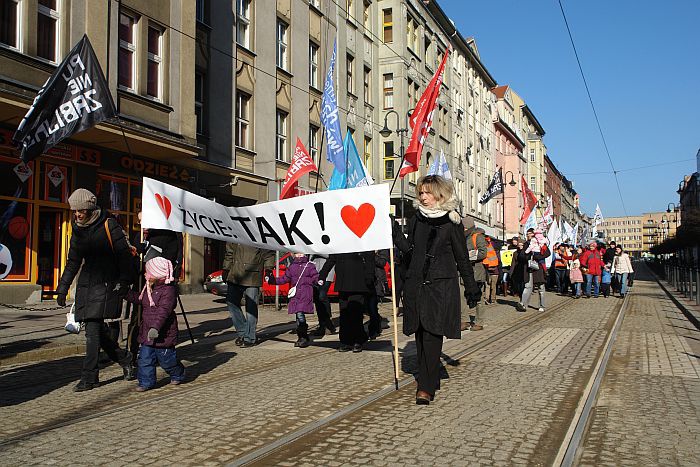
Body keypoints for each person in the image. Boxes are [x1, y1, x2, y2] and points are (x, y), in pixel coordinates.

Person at [393, 175, 480, 405]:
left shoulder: (452, 221)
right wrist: (393, 231)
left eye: (427, 193)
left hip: (440, 286)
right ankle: (429, 377)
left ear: (439, 194)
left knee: (432, 334)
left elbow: (462, 257)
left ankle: (425, 386)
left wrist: (471, 288)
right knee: (420, 334)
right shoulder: (416, 220)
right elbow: (409, 252)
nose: (422, 197)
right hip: (416, 285)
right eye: (421, 193)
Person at [56, 189, 134, 392]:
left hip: (106, 284)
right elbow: (73, 261)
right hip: (86, 284)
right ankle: (125, 359)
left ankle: (89, 377)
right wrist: (62, 288)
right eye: (74, 211)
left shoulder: (109, 225)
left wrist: (124, 282)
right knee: (97, 329)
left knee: (92, 330)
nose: (77, 215)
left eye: (80, 210)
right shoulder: (78, 229)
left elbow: (124, 256)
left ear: (90, 208)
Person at [125, 257, 185, 391]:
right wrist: (125, 293)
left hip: (163, 332)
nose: (146, 275)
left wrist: (155, 327)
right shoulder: (149, 287)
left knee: (167, 360)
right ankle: (146, 382)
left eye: (149, 273)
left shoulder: (168, 291)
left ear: (158, 275)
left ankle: (177, 372)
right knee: (145, 359)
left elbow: (164, 311)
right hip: (147, 332)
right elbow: (140, 299)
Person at [318, 251, 376, 352]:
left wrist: (369, 276)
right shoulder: (340, 243)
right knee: (344, 313)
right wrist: (322, 275)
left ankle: (358, 340)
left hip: (358, 282)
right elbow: (331, 259)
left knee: (356, 312)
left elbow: (369, 257)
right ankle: (345, 341)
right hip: (343, 282)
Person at [221, 242, 274, 347]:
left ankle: (250, 337)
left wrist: (268, 269)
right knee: (231, 302)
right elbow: (229, 252)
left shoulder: (257, 231)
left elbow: (268, 253)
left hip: (252, 275)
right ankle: (243, 332)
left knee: (251, 307)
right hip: (235, 274)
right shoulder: (234, 231)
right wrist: (226, 268)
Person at [266, 252, 318, 348]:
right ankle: (302, 336)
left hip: (305, 293)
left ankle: (303, 336)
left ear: (305, 254)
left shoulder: (309, 266)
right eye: (297, 254)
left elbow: (315, 276)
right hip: (295, 294)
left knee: (300, 314)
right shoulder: (292, 266)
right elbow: (285, 279)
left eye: (301, 254)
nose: (299, 256)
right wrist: (272, 280)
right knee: (298, 315)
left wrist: (318, 281)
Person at [516, 229, 550, 312]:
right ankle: (523, 304)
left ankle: (542, 305)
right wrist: (527, 256)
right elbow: (521, 256)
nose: (528, 235)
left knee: (541, 287)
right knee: (528, 286)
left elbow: (547, 253)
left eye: (530, 233)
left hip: (539, 267)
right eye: (527, 234)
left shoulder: (541, 242)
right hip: (529, 268)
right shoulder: (526, 244)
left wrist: (537, 257)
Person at [463, 219, 487, 331]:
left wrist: (468, 257)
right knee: (460, 295)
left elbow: (483, 253)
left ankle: (479, 322)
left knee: (478, 297)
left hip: (476, 271)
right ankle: (463, 320)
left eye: (464, 227)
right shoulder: (461, 237)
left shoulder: (477, 236)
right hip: (463, 271)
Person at [310, 254, 336, 337]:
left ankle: (328, 323)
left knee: (322, 296)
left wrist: (316, 251)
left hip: (327, 273)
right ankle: (322, 325)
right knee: (317, 299)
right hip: (314, 272)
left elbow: (331, 255)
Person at [367, 249, 390, 340]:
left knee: (372, 307)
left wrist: (371, 254)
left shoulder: (382, 247)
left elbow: (382, 262)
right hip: (366, 280)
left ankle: (373, 330)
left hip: (377, 282)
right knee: (367, 308)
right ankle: (376, 321)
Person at [482, 236, 500, 305]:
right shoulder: (494, 250)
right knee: (492, 286)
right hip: (494, 270)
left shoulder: (485, 249)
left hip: (488, 270)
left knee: (488, 285)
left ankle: (488, 299)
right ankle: (492, 299)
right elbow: (499, 261)